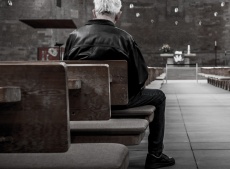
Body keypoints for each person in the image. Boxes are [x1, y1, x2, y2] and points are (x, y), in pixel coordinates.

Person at [63, 0, 175, 168]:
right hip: (121, 102)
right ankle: (155, 154)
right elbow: (140, 78)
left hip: (85, 103)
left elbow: (67, 72)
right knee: (159, 97)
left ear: (94, 12)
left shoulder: (74, 37)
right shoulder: (125, 38)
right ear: (118, 15)